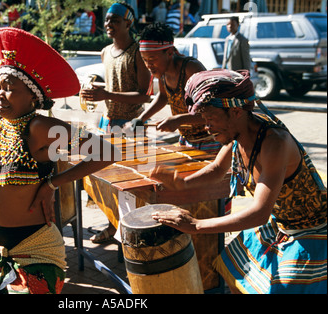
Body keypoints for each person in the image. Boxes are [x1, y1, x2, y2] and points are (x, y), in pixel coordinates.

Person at [0, 27, 117, 294]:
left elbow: (106, 152)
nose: (0, 94)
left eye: (10, 89)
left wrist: (52, 184)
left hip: (34, 245)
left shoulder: (41, 128)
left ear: (32, 96)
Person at [150, 69, 327, 294]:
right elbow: (216, 169)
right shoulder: (238, 134)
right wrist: (183, 182)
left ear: (235, 112)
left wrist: (195, 226)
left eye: (211, 119)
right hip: (280, 224)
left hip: (312, 231)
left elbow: (259, 213)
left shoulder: (275, 143)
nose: (206, 127)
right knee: (234, 271)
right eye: (204, 120)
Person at [80, 2, 151, 243]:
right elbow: (111, 85)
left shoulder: (138, 52)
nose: (108, 24)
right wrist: (94, 89)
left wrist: (107, 95)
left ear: (129, 24)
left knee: (131, 182)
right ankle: (114, 224)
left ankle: (131, 229)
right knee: (106, 178)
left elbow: (145, 95)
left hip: (132, 124)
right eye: (107, 20)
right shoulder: (105, 51)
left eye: (115, 21)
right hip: (107, 122)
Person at [131, 22, 220, 152]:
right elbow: (162, 96)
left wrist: (178, 120)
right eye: (144, 60)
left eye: (152, 59)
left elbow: (213, 112)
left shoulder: (191, 69)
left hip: (211, 140)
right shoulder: (162, 72)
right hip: (185, 140)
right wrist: (141, 118)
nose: (148, 65)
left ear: (169, 52)